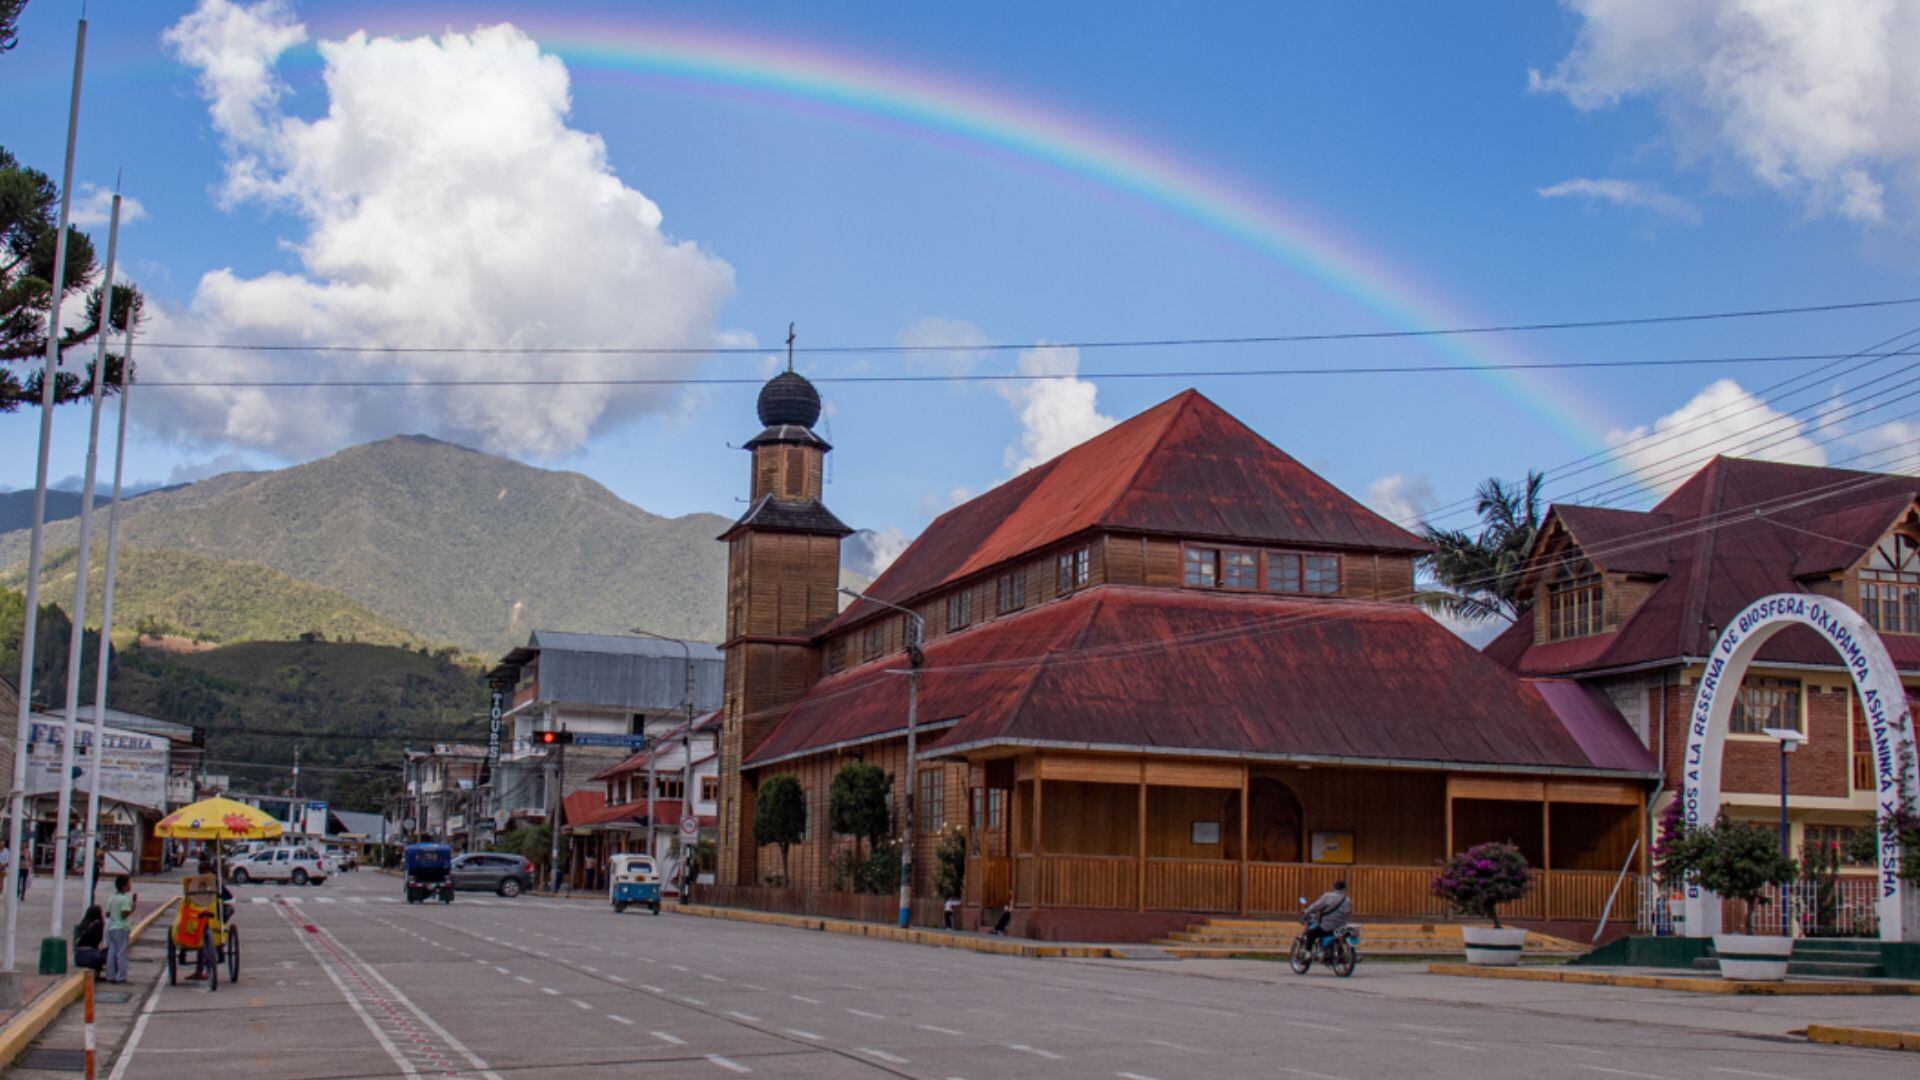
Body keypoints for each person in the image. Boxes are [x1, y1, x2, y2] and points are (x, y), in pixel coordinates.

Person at [1302, 880, 1352, 955]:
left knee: (1310, 933)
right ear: (1344, 888)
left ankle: (1307, 955)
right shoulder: (1347, 899)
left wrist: (1306, 911)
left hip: (1327, 926)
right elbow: (1349, 912)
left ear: (1335, 887)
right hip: (1341, 927)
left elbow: (1316, 906)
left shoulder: (1328, 896)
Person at [104, 874, 136, 984]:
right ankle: (121, 976)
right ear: (124, 886)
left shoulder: (111, 898)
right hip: (121, 928)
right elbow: (124, 914)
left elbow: (107, 913)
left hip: (111, 928)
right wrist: (133, 908)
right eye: (129, 883)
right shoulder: (125, 899)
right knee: (122, 953)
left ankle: (110, 976)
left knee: (112, 953)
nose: (130, 885)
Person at [72, 904, 106, 975]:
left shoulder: (81, 925)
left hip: (78, 958)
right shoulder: (98, 925)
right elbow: (98, 941)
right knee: (111, 953)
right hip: (91, 957)